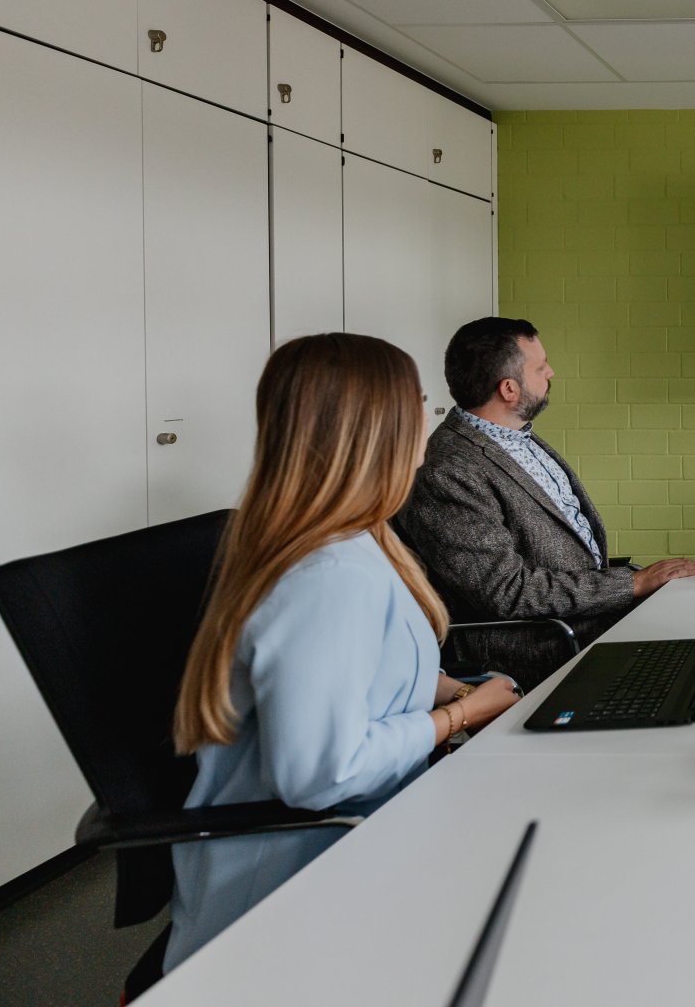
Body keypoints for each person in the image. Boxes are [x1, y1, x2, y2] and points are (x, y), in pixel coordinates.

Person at [167, 333, 522, 971]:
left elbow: (359, 670)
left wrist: (443, 687)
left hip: (365, 841)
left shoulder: (355, 540)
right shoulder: (327, 575)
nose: (430, 417)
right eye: (417, 402)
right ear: (373, 429)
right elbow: (319, 775)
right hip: (295, 895)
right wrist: (457, 719)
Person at [394, 317, 695, 689]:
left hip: (589, 618)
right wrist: (632, 584)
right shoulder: (447, 471)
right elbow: (508, 592)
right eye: (541, 368)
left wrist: (632, 585)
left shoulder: (516, 438)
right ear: (509, 389)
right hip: (541, 647)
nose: (551, 372)